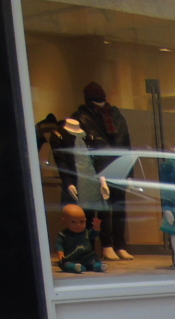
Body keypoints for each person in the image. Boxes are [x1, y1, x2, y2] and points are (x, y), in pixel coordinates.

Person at [72, 82, 134, 260]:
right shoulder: (82, 117)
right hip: (95, 169)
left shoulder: (116, 115)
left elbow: (126, 143)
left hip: (119, 166)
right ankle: (104, 245)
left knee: (118, 207)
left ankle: (119, 244)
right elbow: (90, 147)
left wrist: (129, 172)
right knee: (100, 209)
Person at [55, 204, 105, 274]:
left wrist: (96, 228)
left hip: (87, 257)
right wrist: (60, 252)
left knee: (94, 261)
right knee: (65, 264)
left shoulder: (86, 232)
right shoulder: (63, 235)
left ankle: (98, 266)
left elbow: (94, 234)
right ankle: (74, 267)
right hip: (71, 258)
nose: (78, 225)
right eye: (73, 222)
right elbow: (59, 244)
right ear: (65, 221)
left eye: (81, 222)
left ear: (85, 220)